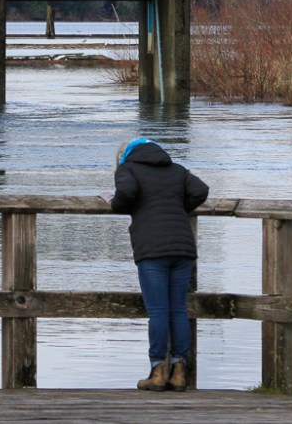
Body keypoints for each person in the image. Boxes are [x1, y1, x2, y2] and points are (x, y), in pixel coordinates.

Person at [105, 138, 209, 393]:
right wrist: (178, 208)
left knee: (159, 311)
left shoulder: (128, 168)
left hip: (152, 248)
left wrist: (113, 202)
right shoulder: (178, 170)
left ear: (125, 155)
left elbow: (126, 193)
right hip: (182, 247)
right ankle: (179, 373)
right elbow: (201, 190)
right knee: (178, 310)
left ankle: (158, 372)